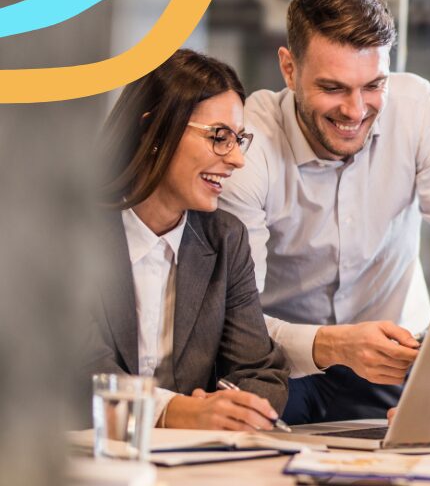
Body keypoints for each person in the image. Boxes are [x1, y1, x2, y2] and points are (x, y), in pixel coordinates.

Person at [218, 0, 430, 423]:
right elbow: (233, 319)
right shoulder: (247, 148)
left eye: (373, 86)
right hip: (278, 369)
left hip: (401, 369)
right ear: (289, 70)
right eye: (333, 88)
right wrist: (332, 345)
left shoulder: (418, 108)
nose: (355, 109)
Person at [86, 49, 288, 430]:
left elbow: (262, 372)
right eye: (219, 137)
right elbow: (74, 375)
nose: (237, 160)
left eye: (238, 139)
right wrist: (176, 412)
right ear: (154, 131)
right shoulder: (70, 234)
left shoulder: (226, 239)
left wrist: (233, 408)